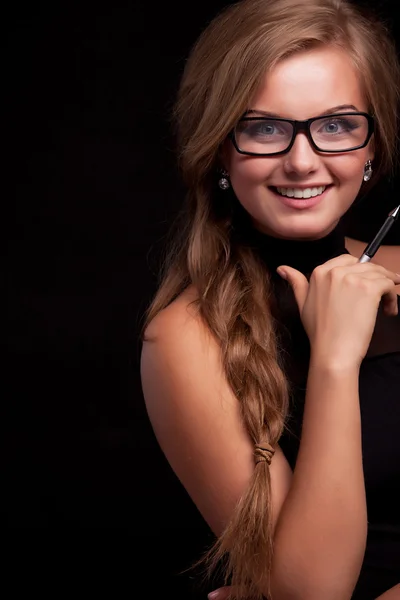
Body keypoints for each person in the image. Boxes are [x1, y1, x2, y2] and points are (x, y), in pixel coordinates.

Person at [140, 0, 400, 598]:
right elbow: (310, 592)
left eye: (335, 125)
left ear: (372, 146)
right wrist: (335, 360)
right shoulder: (186, 337)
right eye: (264, 128)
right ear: (220, 148)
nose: (302, 160)